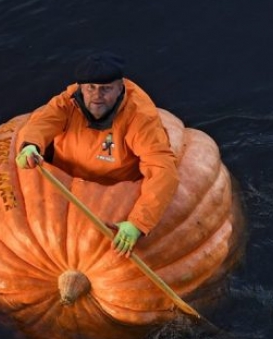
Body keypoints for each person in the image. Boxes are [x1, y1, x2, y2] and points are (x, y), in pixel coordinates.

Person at [15, 52, 179, 257]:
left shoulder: (139, 117)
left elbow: (163, 169)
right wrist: (30, 146)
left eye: (105, 89)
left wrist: (139, 222)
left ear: (120, 87)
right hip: (63, 186)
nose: (97, 95)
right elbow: (43, 123)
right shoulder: (67, 102)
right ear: (81, 87)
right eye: (90, 88)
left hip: (112, 197)